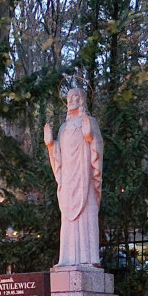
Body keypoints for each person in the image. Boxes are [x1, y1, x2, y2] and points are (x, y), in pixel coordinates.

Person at [44, 87, 104, 267]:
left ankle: (91, 258)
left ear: (83, 100)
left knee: (87, 215)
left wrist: (91, 137)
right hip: (69, 181)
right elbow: (59, 157)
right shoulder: (63, 128)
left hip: (85, 177)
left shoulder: (89, 121)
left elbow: (98, 147)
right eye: (69, 97)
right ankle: (68, 259)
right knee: (68, 218)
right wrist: (50, 145)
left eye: (76, 96)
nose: (72, 100)